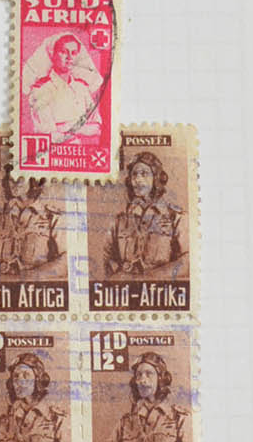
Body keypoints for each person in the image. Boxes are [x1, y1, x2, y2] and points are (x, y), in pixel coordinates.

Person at [101, 149, 189, 282]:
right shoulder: (119, 221)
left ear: (156, 178)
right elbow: (105, 257)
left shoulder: (176, 217)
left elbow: (187, 262)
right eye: (134, 174)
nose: (138, 179)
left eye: (144, 174)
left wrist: (147, 277)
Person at [105, 351, 190, 442]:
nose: (142, 380)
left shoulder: (179, 418)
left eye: (149, 374)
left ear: (161, 379)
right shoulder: (125, 422)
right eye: (138, 375)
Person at [0, 172, 63, 282]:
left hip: (36, 288)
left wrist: (33, 276)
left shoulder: (51, 218)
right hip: (3, 289)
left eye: (19, 177)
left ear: (34, 180)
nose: (14, 182)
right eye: (10, 178)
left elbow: (65, 261)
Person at [22, 30, 100, 138]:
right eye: (63, 52)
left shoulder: (82, 88)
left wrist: (64, 127)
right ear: (53, 55)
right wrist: (82, 128)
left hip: (80, 147)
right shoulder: (41, 89)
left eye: (73, 53)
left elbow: (97, 127)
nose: (69, 57)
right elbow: (49, 133)